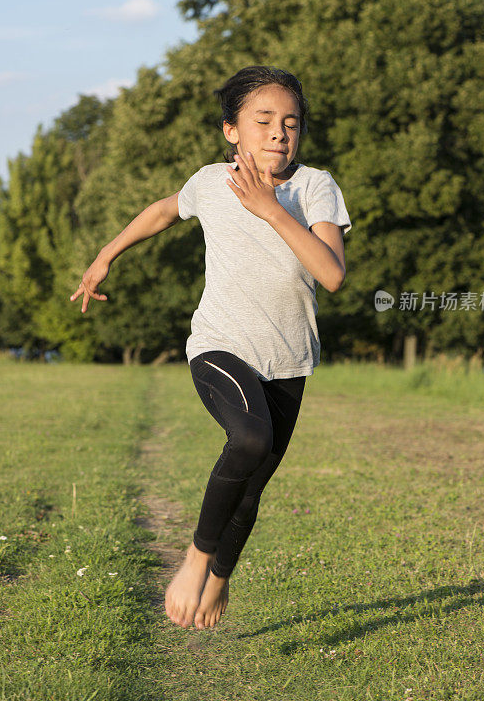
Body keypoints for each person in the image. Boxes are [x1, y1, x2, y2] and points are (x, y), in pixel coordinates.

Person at [70, 65, 352, 631]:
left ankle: (219, 578)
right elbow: (162, 211)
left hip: (289, 359)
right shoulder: (210, 182)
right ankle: (195, 559)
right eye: (264, 120)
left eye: (291, 123)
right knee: (249, 437)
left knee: (253, 487)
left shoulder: (315, 186)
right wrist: (107, 254)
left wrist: (271, 207)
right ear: (232, 131)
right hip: (220, 346)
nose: (279, 133)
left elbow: (332, 273)